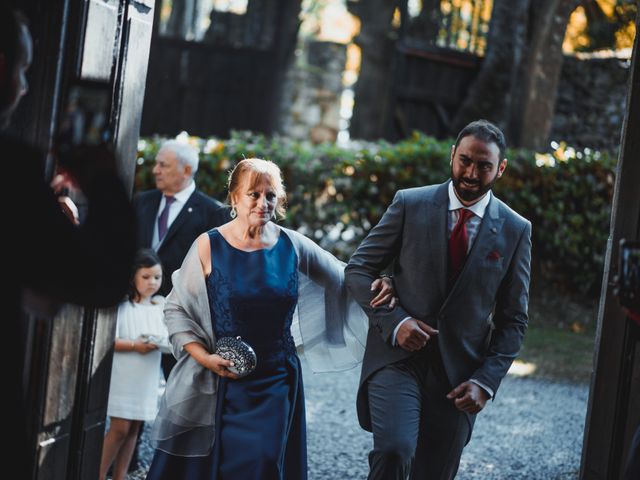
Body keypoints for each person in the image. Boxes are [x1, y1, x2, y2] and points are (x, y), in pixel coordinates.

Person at [145, 158, 394, 479]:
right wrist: (204, 357)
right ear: (234, 197)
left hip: (275, 381)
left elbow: (345, 279)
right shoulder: (209, 246)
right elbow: (176, 308)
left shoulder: (293, 245)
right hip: (220, 381)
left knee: (262, 462)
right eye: (253, 194)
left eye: (271, 195)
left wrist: (382, 282)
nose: (263, 203)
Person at [345, 119, 532, 480]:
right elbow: (358, 270)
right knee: (394, 450)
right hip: (397, 359)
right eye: (464, 160)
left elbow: (514, 320)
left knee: (434, 472)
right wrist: (396, 321)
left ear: (501, 168)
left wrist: (486, 382)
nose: (471, 173)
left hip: (459, 377)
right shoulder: (409, 203)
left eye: (484, 165)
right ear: (452, 155)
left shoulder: (516, 229)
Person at [1, 6, 136, 477]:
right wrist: (101, 180)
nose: (22, 86)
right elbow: (99, 283)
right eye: (22, 69)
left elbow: (42, 299)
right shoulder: (11, 171)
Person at [133, 139, 229, 379]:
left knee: (176, 385)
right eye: (156, 164)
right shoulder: (142, 201)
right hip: (136, 308)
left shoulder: (213, 212)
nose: (155, 170)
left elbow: (215, 269)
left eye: (163, 165)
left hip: (181, 314)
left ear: (187, 170)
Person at [99, 248, 168, 480]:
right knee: (119, 429)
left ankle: (120, 476)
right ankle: (96, 474)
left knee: (134, 430)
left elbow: (168, 338)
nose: (152, 283)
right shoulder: (122, 307)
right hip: (124, 375)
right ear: (133, 278)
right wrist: (135, 346)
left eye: (157, 277)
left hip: (146, 376)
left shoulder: (160, 308)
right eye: (146, 277)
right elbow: (109, 341)